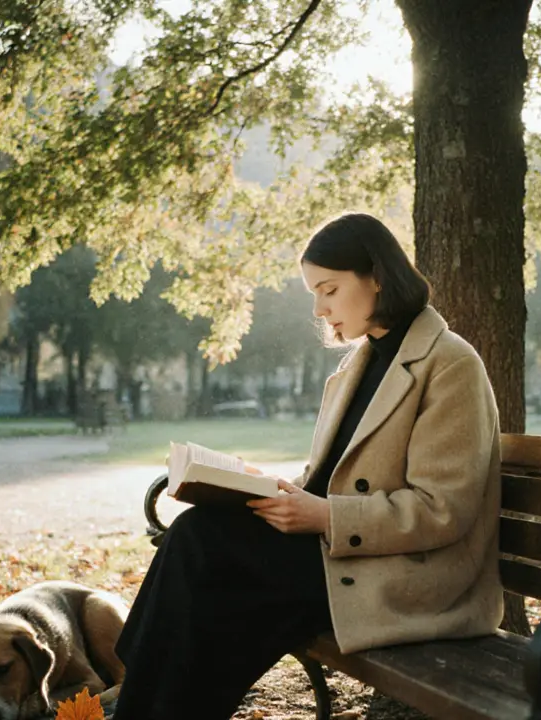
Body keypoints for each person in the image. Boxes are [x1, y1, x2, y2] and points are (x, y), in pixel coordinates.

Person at [111, 212, 503, 719]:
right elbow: (332, 478)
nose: (320, 309)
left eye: (329, 290)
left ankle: (137, 701)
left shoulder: (449, 364)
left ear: (377, 277)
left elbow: (443, 508)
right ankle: (141, 698)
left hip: (410, 581)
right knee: (197, 539)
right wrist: (276, 491)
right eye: (314, 294)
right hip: (343, 556)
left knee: (206, 562)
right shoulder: (358, 364)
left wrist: (324, 516)